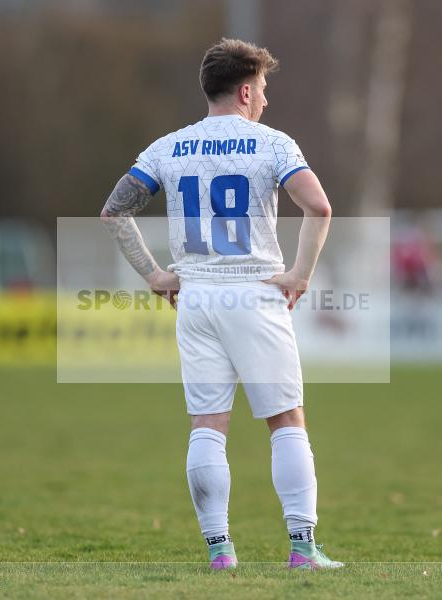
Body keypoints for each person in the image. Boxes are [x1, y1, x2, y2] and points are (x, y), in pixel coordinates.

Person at [100, 38, 340, 570]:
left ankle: (220, 552)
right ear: (247, 90)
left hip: (196, 297)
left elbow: (114, 211)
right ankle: (302, 548)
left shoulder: (167, 147)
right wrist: (299, 275)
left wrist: (156, 275)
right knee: (286, 421)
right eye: (264, 91)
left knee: (208, 426)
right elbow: (319, 207)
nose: (267, 102)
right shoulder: (273, 144)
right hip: (255, 291)